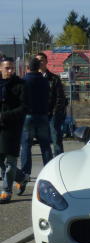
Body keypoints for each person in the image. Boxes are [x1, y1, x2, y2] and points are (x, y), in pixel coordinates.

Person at [18, 58, 52, 192]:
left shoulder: (24, 81)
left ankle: (24, 176)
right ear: (38, 67)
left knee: (26, 147)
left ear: (27, 67)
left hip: (28, 117)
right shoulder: (45, 81)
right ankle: (49, 173)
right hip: (43, 116)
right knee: (45, 147)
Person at [0, 57, 27, 203]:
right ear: (0, 69)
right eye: (7, 68)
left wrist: (4, 116)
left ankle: (6, 191)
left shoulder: (21, 85)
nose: (10, 71)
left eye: (12, 68)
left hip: (12, 127)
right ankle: (22, 178)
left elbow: (24, 107)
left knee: (10, 161)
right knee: (1, 160)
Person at [34, 52, 66, 157]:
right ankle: (48, 164)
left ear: (46, 61)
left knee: (56, 139)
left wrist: (54, 112)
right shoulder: (31, 79)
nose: (40, 62)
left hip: (53, 114)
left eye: (42, 60)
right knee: (44, 142)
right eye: (37, 60)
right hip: (39, 115)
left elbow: (60, 97)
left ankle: (60, 162)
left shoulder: (54, 79)